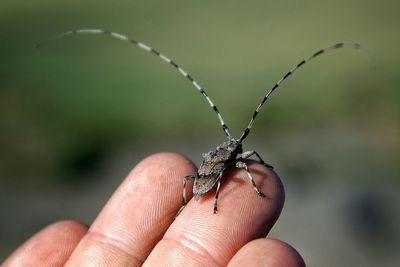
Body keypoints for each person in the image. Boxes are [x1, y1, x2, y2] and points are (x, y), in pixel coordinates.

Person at [2, 153, 305, 266]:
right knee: (204, 183)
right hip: (205, 185)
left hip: (202, 182)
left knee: (198, 180)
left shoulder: (221, 156)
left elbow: (215, 161)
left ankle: (202, 201)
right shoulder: (229, 159)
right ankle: (208, 201)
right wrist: (254, 176)